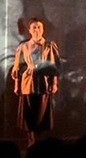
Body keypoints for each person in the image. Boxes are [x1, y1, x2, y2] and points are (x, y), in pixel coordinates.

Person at [11, 18, 60, 148]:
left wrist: (54, 83)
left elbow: (54, 67)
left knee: (42, 114)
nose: (37, 30)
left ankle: (41, 142)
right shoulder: (23, 46)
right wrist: (17, 85)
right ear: (29, 30)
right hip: (27, 83)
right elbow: (17, 67)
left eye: (39, 27)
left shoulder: (49, 45)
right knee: (29, 115)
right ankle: (31, 141)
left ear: (42, 29)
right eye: (34, 27)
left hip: (44, 83)